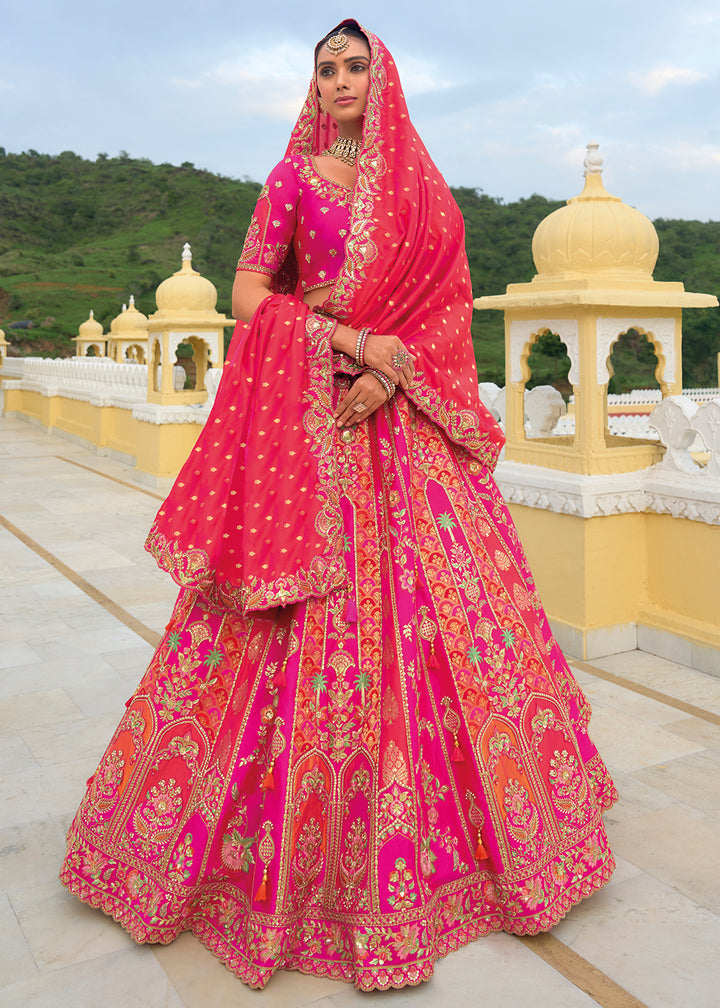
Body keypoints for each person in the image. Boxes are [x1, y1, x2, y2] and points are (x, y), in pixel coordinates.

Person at [60, 19, 617, 992]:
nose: (342, 79)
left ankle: (487, 848)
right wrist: (351, 351)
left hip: (407, 438)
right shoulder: (292, 180)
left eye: (357, 64)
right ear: (311, 85)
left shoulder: (417, 192)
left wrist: (397, 375)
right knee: (293, 637)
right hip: (313, 431)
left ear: (383, 79)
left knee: (443, 631)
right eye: (326, 67)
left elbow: (444, 307)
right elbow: (244, 296)